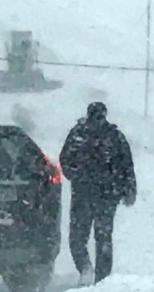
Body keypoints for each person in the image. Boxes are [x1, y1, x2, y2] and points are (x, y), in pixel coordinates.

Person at [59, 101, 137, 286]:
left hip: (101, 195)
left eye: (99, 116)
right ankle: (90, 273)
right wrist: (77, 176)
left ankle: (101, 280)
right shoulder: (83, 135)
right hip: (94, 195)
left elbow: (126, 164)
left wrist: (128, 188)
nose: (97, 120)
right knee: (89, 238)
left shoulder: (102, 136)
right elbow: (65, 160)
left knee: (95, 238)